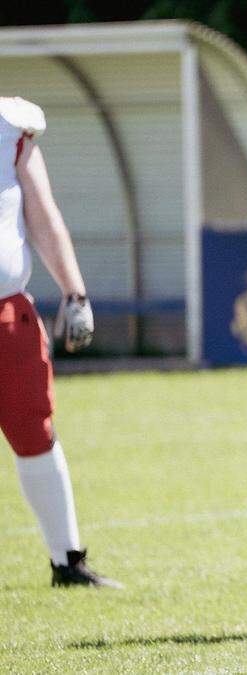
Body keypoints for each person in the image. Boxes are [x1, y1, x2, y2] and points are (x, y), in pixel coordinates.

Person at [0, 97, 121, 588]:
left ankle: (66, 559)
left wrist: (74, 291)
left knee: (35, 430)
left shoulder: (10, 129)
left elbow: (42, 215)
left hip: (6, 310)